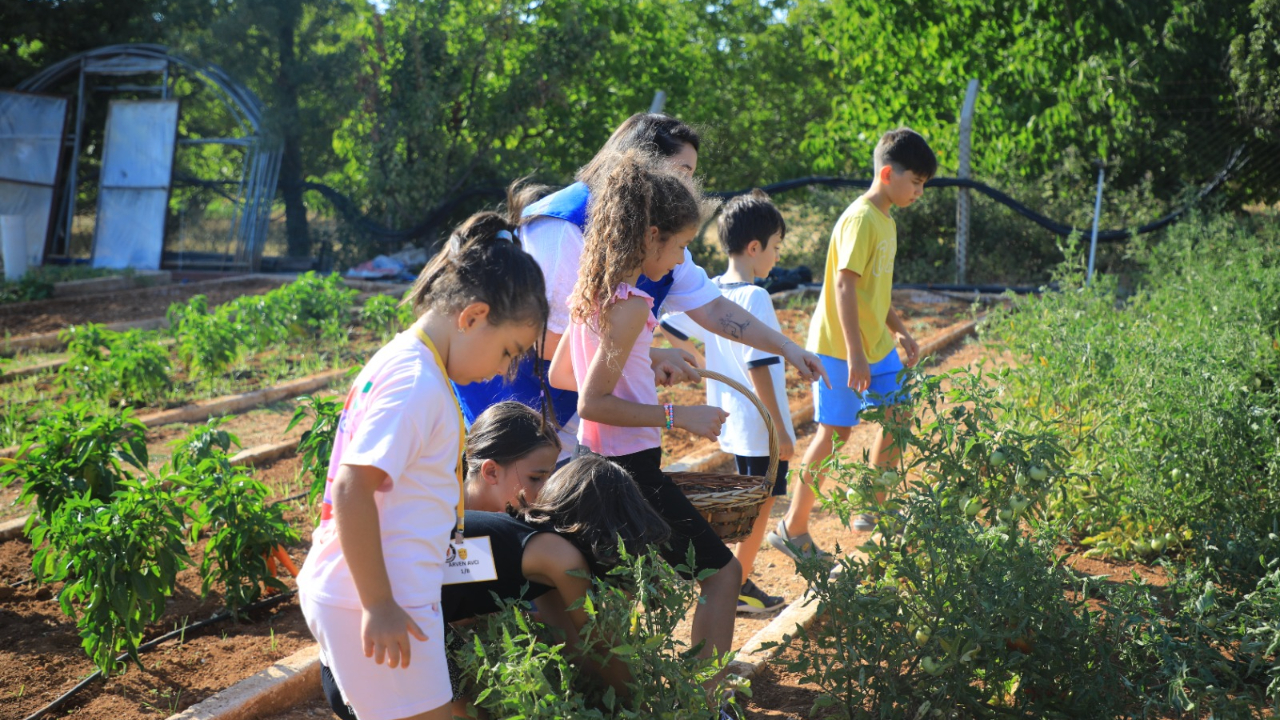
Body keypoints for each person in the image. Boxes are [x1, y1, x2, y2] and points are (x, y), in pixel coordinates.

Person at [296, 188, 549, 720]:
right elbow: (352, 486)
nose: (504, 371)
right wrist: (379, 604)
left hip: (386, 590)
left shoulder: (414, 364)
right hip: (374, 595)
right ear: (473, 316)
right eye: (508, 351)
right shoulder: (416, 381)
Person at [454, 112, 827, 459]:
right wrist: (650, 357)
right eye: (682, 171)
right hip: (513, 400)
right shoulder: (564, 226)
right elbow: (548, 340)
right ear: (639, 162)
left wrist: (787, 347)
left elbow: (713, 308)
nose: (689, 186)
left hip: (575, 409)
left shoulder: (656, 237)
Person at [319, 403, 671, 720]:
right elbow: (599, 643)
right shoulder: (558, 556)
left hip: (350, 647)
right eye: (537, 477)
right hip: (380, 644)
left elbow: (567, 639)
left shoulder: (523, 544)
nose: (540, 489)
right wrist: (639, 705)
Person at [549, 150, 743, 689]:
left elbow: (566, 375)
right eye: (680, 245)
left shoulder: (590, 295)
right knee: (723, 575)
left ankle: (624, 695)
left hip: (589, 466)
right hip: (629, 472)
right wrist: (682, 414)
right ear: (651, 235)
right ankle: (703, 699)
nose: (680, 260)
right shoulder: (631, 304)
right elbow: (591, 401)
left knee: (616, 590)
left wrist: (641, 369)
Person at [767, 128, 937, 560]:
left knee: (899, 414)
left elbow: (874, 291)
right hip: (838, 349)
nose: (919, 192)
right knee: (836, 432)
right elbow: (844, 287)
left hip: (875, 345)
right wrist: (855, 354)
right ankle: (792, 528)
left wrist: (898, 328)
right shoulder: (861, 219)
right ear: (887, 174)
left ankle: (874, 506)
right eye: (915, 182)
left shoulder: (886, 220)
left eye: (923, 185)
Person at [659, 189, 796, 614]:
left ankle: (737, 579)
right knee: (760, 511)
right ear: (754, 248)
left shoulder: (711, 290)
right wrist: (782, 432)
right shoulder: (755, 298)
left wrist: (698, 363)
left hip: (733, 423)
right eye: (775, 247)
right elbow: (759, 366)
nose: (776, 257)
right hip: (760, 428)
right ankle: (737, 585)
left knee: (748, 508)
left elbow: (667, 320)